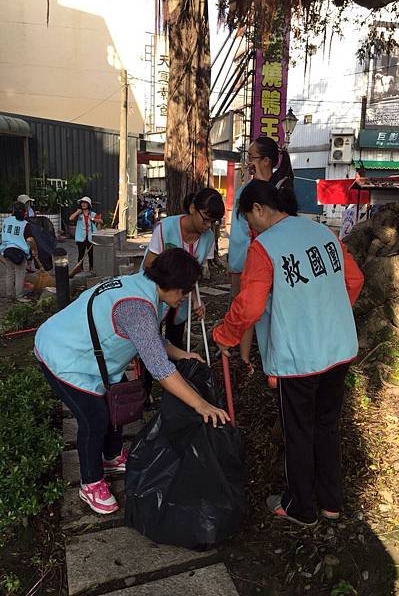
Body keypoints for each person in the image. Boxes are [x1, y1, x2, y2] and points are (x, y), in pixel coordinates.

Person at [214, 180, 364, 526]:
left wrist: (225, 335)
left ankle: (300, 507)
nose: (250, 230)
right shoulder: (323, 233)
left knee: (299, 431)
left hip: (300, 360)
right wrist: (330, 318)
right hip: (338, 349)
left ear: (259, 210)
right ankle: (330, 502)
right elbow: (354, 281)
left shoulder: (265, 248)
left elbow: (249, 306)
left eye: (249, 222)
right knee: (326, 426)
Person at [35, 248, 230, 515]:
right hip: (63, 354)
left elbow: (152, 340)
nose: (185, 298)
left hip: (92, 356)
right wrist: (201, 405)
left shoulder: (146, 289)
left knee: (117, 402)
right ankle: (90, 482)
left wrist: (183, 353)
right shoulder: (136, 306)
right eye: (183, 291)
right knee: (94, 419)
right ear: (169, 284)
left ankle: (112, 456)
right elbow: (161, 370)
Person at [228, 136, 294, 375]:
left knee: (270, 307)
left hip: (274, 258)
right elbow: (238, 231)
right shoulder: (248, 188)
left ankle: (274, 361)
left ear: (267, 160)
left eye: (252, 157)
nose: (248, 162)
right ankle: (245, 358)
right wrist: (236, 264)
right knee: (249, 304)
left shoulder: (282, 186)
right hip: (250, 258)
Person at [142, 187, 225, 348]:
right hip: (155, 293)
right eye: (206, 219)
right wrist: (169, 288)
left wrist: (196, 301)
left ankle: (175, 368)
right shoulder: (165, 228)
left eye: (213, 222)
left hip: (180, 298)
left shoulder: (208, 238)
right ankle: (150, 372)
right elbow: (148, 266)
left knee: (175, 339)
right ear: (193, 208)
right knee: (152, 341)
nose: (208, 226)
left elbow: (193, 275)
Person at [0, 201, 33, 302]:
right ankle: (19, 296)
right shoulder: (25, 224)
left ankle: (9, 296)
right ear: (24, 212)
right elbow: (30, 240)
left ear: (13, 210)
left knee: (9, 273)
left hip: (6, 250)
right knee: (19, 274)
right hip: (19, 253)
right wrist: (33, 250)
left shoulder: (6, 220)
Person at [69, 196, 103, 272]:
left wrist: (93, 219)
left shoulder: (92, 214)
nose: (83, 205)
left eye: (85, 203)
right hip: (81, 237)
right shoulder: (79, 214)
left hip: (90, 237)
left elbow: (101, 221)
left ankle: (92, 268)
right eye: (82, 203)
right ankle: (80, 269)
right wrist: (77, 212)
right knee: (81, 254)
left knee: (91, 254)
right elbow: (70, 218)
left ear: (88, 204)